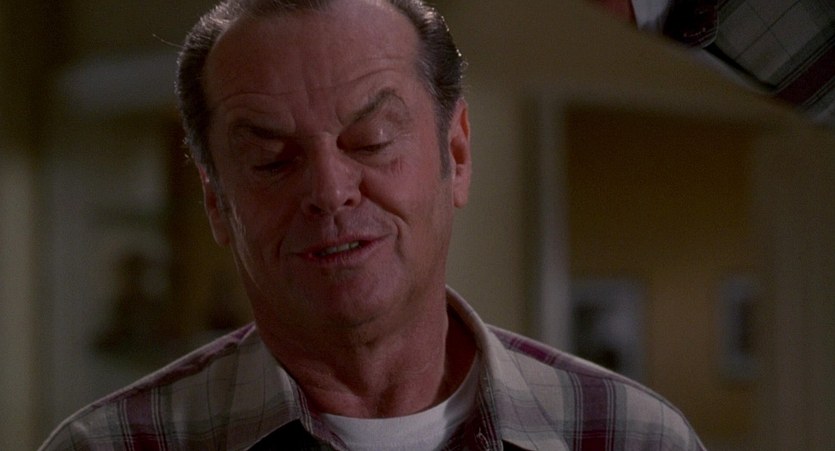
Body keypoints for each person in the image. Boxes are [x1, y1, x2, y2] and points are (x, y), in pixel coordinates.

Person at [41, 0, 705, 449]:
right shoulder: (114, 444)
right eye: (271, 160)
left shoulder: (627, 435)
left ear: (456, 154)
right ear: (216, 200)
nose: (329, 192)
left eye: (372, 140)